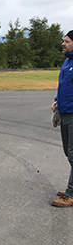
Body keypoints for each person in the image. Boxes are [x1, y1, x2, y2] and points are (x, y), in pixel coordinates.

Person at [51, 30, 73, 207]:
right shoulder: (67, 62)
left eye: (66, 41)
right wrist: (57, 101)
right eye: (63, 41)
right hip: (65, 112)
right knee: (68, 152)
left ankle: (71, 194)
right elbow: (64, 86)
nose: (63, 44)